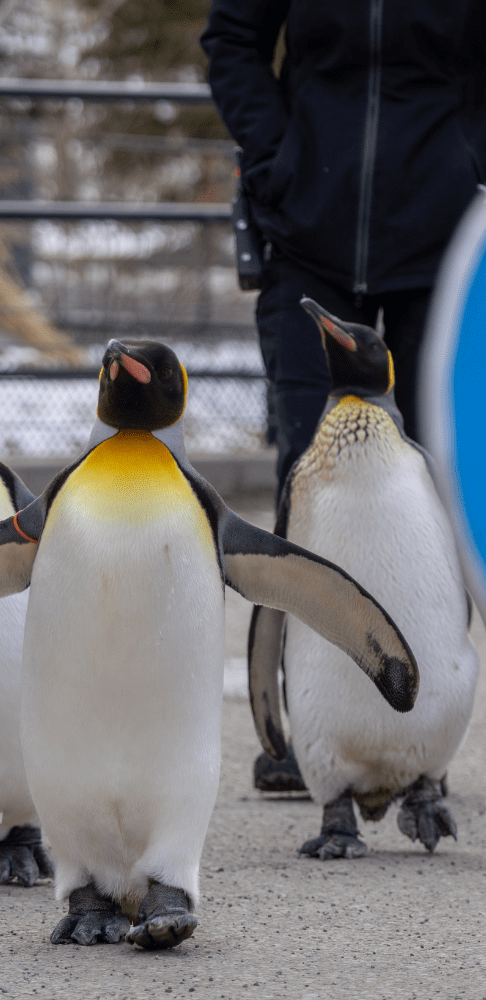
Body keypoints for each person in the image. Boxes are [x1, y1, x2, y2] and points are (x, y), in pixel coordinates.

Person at [201, 1, 486, 791]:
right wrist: (275, 153)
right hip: (306, 238)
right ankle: (313, 729)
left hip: (443, 239)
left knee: (440, 488)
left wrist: (473, 163)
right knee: (310, 477)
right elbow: (232, 39)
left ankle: (424, 736)